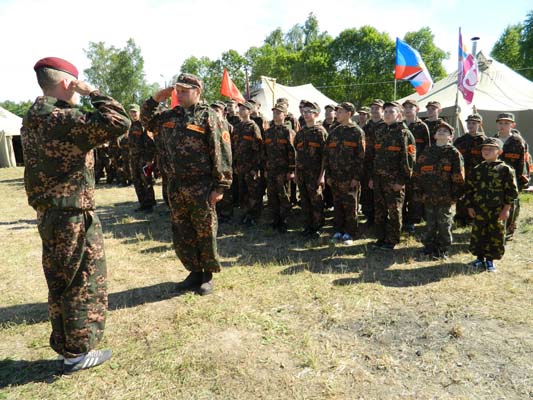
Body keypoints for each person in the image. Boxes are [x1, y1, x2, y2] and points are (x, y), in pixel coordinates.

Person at [21, 57, 131, 373]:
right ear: (69, 83)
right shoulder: (62, 120)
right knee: (81, 282)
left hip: (50, 214)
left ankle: (66, 345)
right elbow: (120, 121)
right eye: (76, 85)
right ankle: (78, 353)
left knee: (60, 282)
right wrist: (92, 90)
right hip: (70, 215)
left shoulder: (33, 117)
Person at [141, 73, 232, 295]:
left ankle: (207, 274)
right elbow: (146, 120)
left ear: (197, 92)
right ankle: (193, 271)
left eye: (184, 90)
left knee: (204, 230)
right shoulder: (169, 116)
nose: (179, 94)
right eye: (177, 90)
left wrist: (220, 187)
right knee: (182, 231)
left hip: (201, 186)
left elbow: (221, 153)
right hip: (175, 185)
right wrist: (156, 98)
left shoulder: (209, 117)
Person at [465, 137, 518, 272]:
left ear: (499, 152)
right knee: (478, 233)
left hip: (497, 210)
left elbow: (511, 192)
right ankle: (479, 258)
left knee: (495, 235)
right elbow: (469, 189)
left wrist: (506, 209)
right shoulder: (477, 169)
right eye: (484, 149)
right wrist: (470, 206)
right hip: (479, 209)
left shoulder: (505, 169)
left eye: (490, 149)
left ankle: (490, 260)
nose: (486, 151)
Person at [367, 101, 416, 250]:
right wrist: (371, 177)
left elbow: (410, 160)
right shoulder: (379, 131)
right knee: (380, 210)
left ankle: (392, 240)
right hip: (378, 179)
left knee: (394, 211)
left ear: (399, 115)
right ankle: (381, 238)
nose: (387, 114)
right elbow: (372, 156)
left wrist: (402, 181)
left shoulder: (404, 133)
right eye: (386, 111)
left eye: (391, 112)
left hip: (394, 181)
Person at [413, 121, 464, 259]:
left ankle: (443, 249)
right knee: (430, 223)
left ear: (450, 137)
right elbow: (418, 171)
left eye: (445, 131)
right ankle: (428, 247)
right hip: (428, 195)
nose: (441, 132)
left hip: (445, 196)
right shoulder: (427, 152)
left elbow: (459, 176)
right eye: (439, 131)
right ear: (434, 136)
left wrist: (455, 195)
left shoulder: (453, 153)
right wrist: (418, 190)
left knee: (444, 223)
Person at [323, 102, 365, 245]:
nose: (337, 114)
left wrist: (356, 177)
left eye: (340, 112)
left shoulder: (356, 132)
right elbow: (327, 155)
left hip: (349, 178)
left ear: (349, 113)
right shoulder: (334, 131)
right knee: (338, 205)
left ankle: (350, 233)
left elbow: (361, 157)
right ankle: (338, 230)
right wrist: (328, 175)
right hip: (335, 177)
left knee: (350, 206)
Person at [493, 112, 530, 240]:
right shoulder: (493, 140)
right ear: (497, 124)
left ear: (512, 125)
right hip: (495, 180)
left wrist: (522, 181)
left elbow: (524, 162)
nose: (503, 125)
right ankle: (495, 229)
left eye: (506, 123)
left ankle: (508, 231)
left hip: (513, 180)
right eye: (500, 123)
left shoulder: (518, 142)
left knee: (511, 205)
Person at [294, 101, 327, 238]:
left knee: (316, 201)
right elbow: (297, 154)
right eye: (304, 111)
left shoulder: (320, 132)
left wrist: (322, 176)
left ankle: (317, 227)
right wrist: (296, 173)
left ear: (316, 114)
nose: (306, 114)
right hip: (302, 173)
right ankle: (307, 226)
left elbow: (326, 157)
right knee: (305, 201)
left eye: (309, 112)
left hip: (315, 174)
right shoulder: (301, 132)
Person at [263, 103, 296, 233]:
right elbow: (264, 152)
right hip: (271, 169)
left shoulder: (288, 131)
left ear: (285, 115)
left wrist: (291, 170)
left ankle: (284, 221)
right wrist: (265, 168)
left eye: (278, 113)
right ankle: (274, 220)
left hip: (283, 170)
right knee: (272, 195)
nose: (276, 115)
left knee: (284, 196)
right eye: (274, 113)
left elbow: (292, 152)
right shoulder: (268, 132)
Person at [402, 99, 430, 233]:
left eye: (410, 107)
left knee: (414, 196)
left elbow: (427, 148)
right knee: (401, 195)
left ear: (417, 109)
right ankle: (400, 220)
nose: (408, 110)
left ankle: (411, 222)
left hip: (417, 168)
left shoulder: (422, 126)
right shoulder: (400, 125)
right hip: (401, 167)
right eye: (405, 107)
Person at [233, 101, 264, 226]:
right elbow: (234, 147)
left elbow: (258, 149)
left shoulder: (253, 127)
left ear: (250, 111)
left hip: (250, 166)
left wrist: (255, 168)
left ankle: (254, 216)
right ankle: (246, 214)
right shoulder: (237, 127)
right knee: (243, 192)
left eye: (244, 109)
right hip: (240, 166)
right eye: (240, 109)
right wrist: (234, 165)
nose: (241, 111)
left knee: (253, 192)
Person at [453, 114, 486, 226]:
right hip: (462, 174)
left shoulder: (484, 140)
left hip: (478, 175)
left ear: (479, 124)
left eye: (474, 123)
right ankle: (460, 219)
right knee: (461, 196)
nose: (471, 125)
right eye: (469, 123)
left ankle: (473, 219)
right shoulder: (460, 140)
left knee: (475, 196)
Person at [128, 103, 157, 212]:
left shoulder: (144, 125)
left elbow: (151, 144)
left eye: (135, 112)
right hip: (133, 159)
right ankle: (143, 204)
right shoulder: (130, 125)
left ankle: (150, 204)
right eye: (131, 112)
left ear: (139, 112)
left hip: (143, 159)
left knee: (147, 181)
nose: (133, 114)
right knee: (137, 181)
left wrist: (149, 160)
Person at [361, 99, 385, 226]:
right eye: (373, 109)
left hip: (381, 164)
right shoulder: (365, 127)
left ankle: (380, 218)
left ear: (382, 111)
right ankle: (369, 216)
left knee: (379, 192)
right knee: (367, 191)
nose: (375, 111)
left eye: (378, 109)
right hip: (367, 164)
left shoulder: (386, 127)